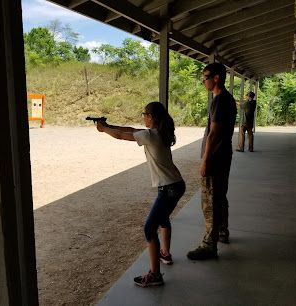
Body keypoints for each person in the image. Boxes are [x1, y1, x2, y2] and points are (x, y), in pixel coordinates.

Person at [95, 101, 186, 287]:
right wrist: (108, 125)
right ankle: (165, 253)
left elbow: (122, 135)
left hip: (168, 188)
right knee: (163, 218)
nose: (143, 116)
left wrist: (104, 129)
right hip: (176, 184)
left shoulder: (150, 135)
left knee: (149, 229)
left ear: (151, 117)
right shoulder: (158, 132)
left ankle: (155, 274)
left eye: (144, 114)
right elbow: (129, 129)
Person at [187, 63, 237, 260]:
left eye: (205, 77)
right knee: (220, 196)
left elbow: (213, 134)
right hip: (224, 155)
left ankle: (210, 244)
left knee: (210, 201)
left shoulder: (219, 100)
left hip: (215, 157)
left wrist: (205, 161)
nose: (203, 81)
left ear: (216, 78)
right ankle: (222, 232)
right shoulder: (228, 99)